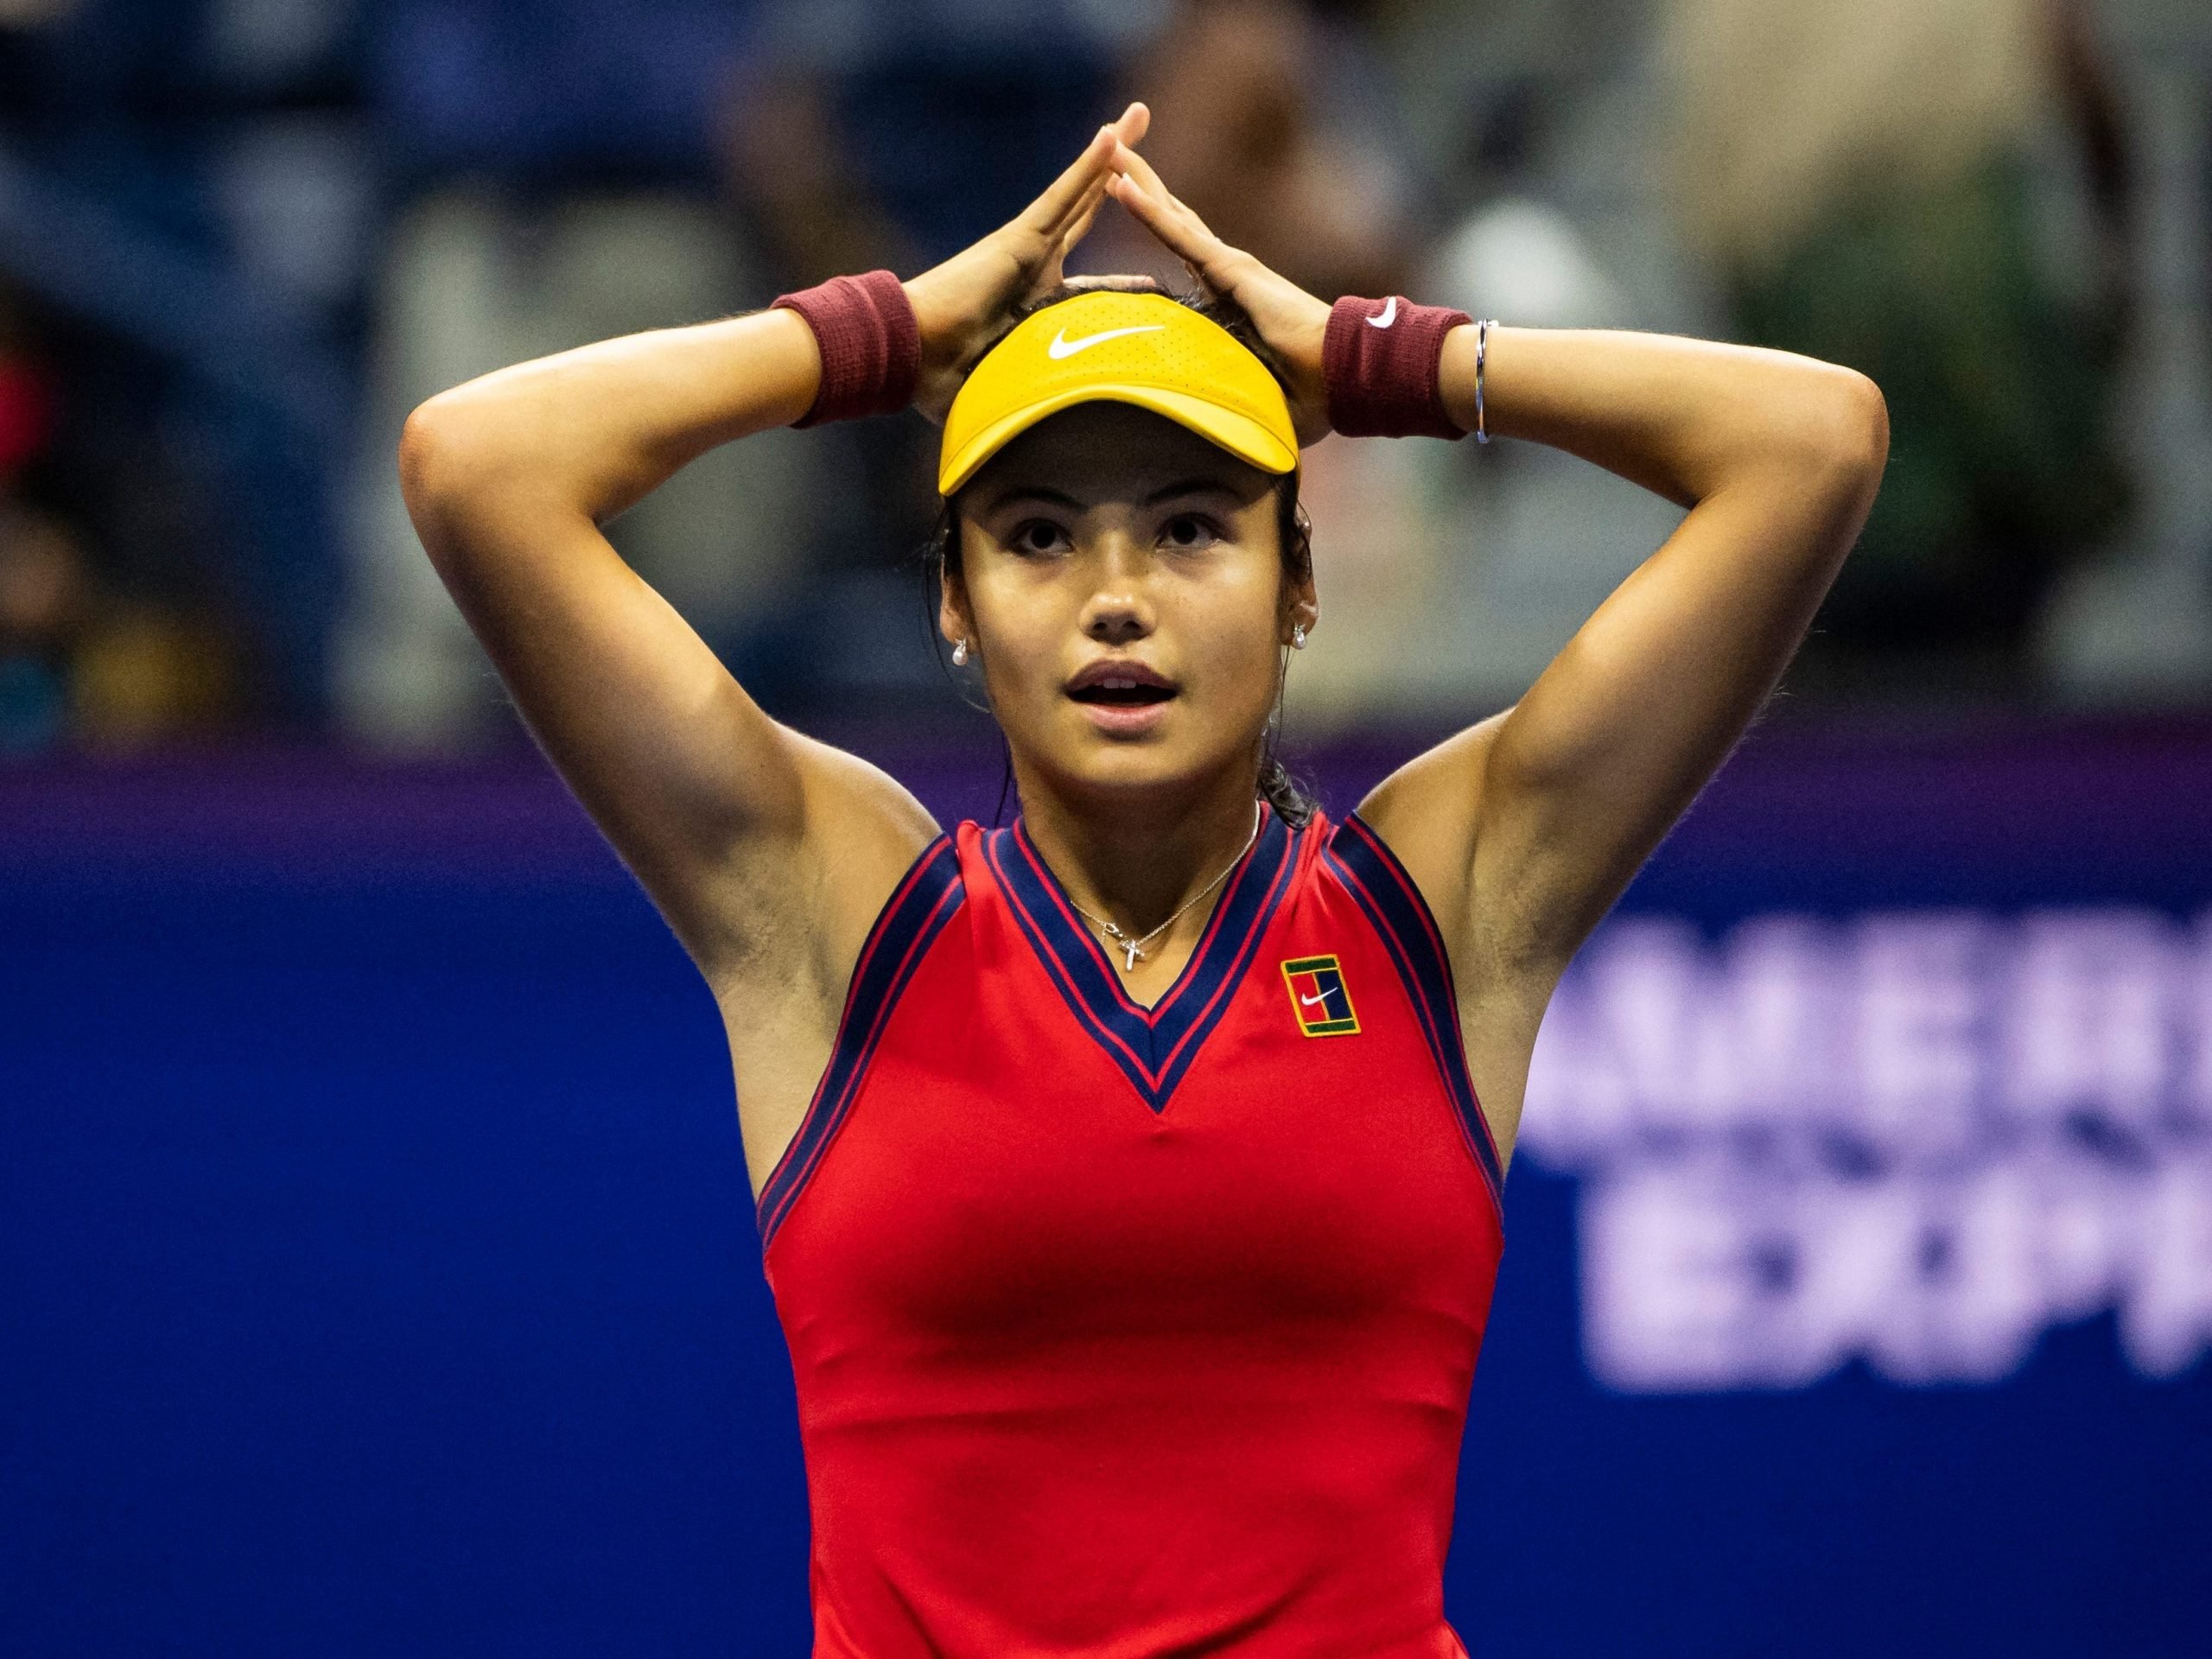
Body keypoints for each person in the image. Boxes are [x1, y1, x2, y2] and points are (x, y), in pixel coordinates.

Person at [398, 104, 1885, 1658]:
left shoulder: (1442, 904)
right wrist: (883, 332)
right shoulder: (834, 916)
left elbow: (1814, 441)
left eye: (1190, 530)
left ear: (1298, 584)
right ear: (957, 606)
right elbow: (477, 464)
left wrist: (1380, 361)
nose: (1118, 602)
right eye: (1039, 538)